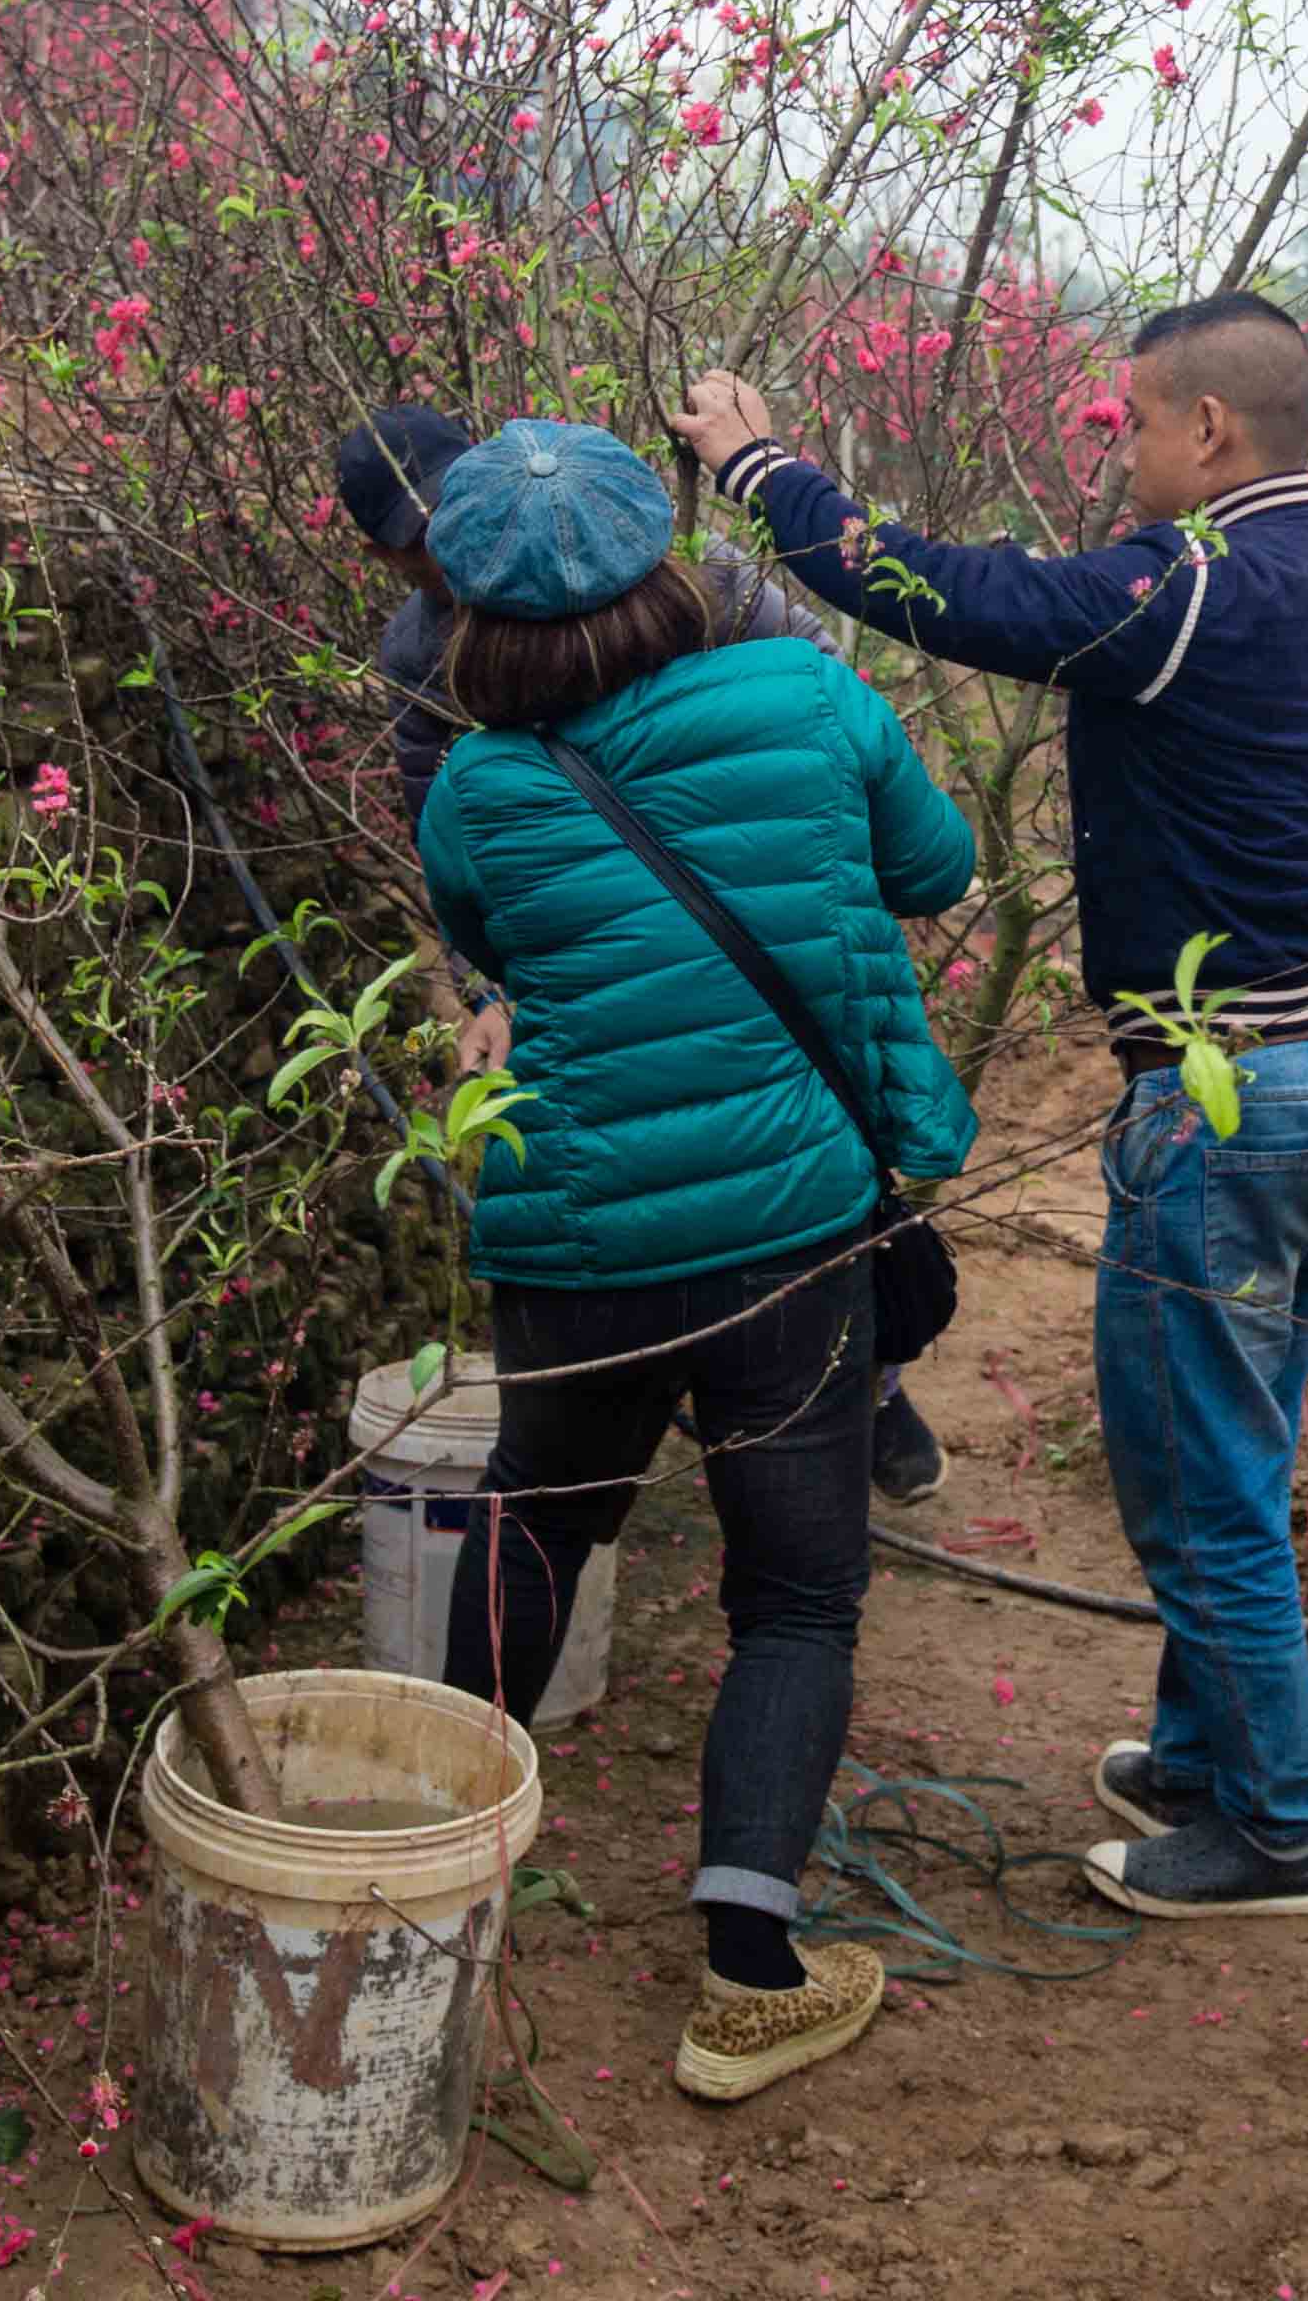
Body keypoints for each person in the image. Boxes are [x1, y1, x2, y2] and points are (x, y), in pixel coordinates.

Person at [672, 292, 1308, 1922]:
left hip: (1231, 1095)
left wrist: (756, 469)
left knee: (1193, 1463)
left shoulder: (1190, 586)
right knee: (1241, 1425)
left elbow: (953, 594)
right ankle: (1208, 1754)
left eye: (1135, 421)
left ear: (1206, 430)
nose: (1122, 450)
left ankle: (1277, 1825)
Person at [405, 420, 982, 2105]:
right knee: (795, 1591)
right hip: (784, 1232)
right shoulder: (805, 699)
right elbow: (935, 871)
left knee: (537, 1509)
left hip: (575, 1236)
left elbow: (497, 952)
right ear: (662, 554)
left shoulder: (479, 787)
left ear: (467, 610)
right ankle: (745, 1978)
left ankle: (442, 1882)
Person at [341, 402, 956, 1502]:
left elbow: (833, 716)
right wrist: (490, 990)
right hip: (621, 976)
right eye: (411, 536)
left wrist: (801, 855)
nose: (435, 545)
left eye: (444, 516)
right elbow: (463, 877)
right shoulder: (423, 658)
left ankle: (873, 1395)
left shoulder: (716, 596)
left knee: (794, 1195)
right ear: (385, 553)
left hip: (764, 940)